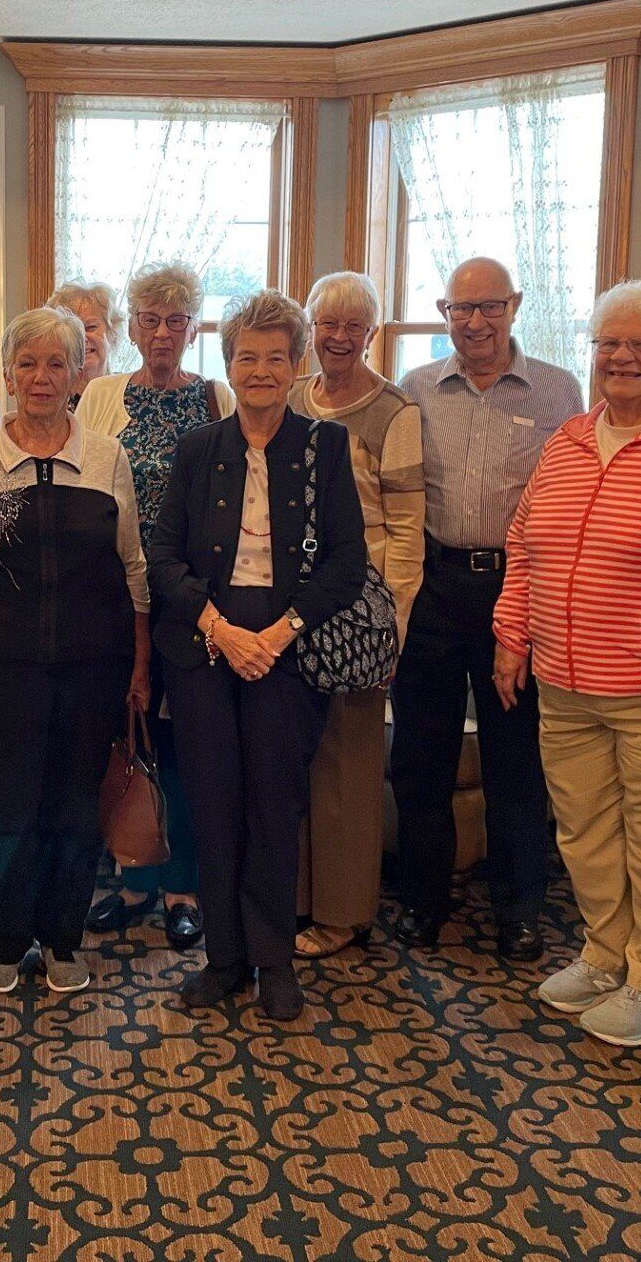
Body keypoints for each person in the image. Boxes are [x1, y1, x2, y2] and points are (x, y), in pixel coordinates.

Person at [491, 281, 641, 1045]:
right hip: (561, 675)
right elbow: (525, 544)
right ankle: (604, 954)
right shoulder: (570, 439)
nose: (621, 358)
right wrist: (512, 635)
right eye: (608, 343)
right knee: (584, 830)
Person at [149, 290, 368, 1021]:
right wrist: (221, 630)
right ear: (229, 364)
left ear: (297, 363)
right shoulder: (196, 449)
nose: (263, 370)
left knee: (275, 808)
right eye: (249, 356)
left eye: (277, 357)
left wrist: (276, 635)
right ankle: (224, 959)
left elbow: (346, 560)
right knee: (214, 808)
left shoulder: (324, 447)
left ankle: (274, 960)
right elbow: (164, 560)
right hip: (208, 646)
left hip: (289, 647)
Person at [0, 307, 151, 994]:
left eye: (57, 363)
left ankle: (61, 939)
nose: (42, 377)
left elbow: (135, 570)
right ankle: (2, 941)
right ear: (7, 372)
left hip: (95, 667)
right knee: (8, 806)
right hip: (3, 669)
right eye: (27, 363)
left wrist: (140, 665)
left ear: (79, 371)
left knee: (75, 808)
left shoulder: (108, 459)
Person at [392, 257, 583, 962]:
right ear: (444, 312)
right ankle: (422, 901)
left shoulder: (560, 392)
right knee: (421, 761)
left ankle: (519, 911)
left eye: (490, 307)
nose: (474, 322)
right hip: (436, 588)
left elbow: (566, 500)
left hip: (517, 592)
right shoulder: (413, 390)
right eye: (460, 308)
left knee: (516, 764)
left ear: (516, 306)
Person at [77, 262, 231, 952]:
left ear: (194, 328)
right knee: (124, 741)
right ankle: (133, 882)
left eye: (176, 320)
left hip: (193, 606)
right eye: (149, 319)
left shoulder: (217, 398)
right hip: (114, 601)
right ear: (130, 327)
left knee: (182, 746)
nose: (162, 333)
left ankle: (182, 890)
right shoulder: (102, 397)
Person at [286, 272, 424, 959]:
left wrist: (393, 622)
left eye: (353, 326)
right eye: (326, 324)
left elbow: (406, 529)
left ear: (371, 334)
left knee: (348, 765)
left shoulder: (392, 413)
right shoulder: (288, 398)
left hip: (359, 610)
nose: (338, 337)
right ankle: (301, 897)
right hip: (288, 607)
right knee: (297, 758)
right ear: (309, 330)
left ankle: (343, 913)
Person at [46, 281, 125, 412]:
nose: (82, 338)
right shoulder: (48, 400)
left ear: (113, 334)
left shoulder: (128, 396)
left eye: (91, 327)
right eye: (73, 330)